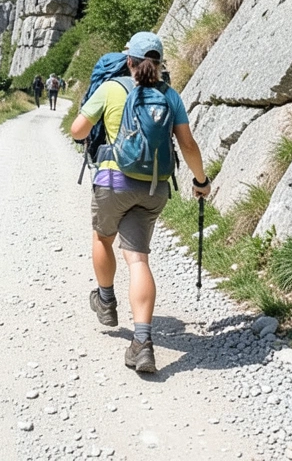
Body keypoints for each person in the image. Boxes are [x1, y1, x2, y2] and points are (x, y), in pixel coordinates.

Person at [69, 31, 210, 374]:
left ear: (127, 61)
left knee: (102, 237)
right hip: (154, 188)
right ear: (160, 64)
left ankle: (105, 300)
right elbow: (188, 146)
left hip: (113, 181)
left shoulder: (112, 89)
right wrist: (201, 182)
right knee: (138, 259)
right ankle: (142, 344)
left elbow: (77, 130)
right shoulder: (170, 96)